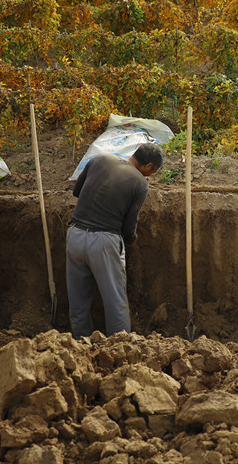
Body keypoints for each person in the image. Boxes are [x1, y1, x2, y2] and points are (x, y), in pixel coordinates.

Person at [66, 142, 164, 339]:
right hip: (104, 242)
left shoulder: (99, 159)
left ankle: (79, 344)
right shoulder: (140, 182)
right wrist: (130, 240)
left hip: (75, 235)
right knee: (115, 300)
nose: (150, 176)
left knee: (78, 297)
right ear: (148, 166)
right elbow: (129, 225)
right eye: (153, 171)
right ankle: (120, 348)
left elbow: (77, 192)